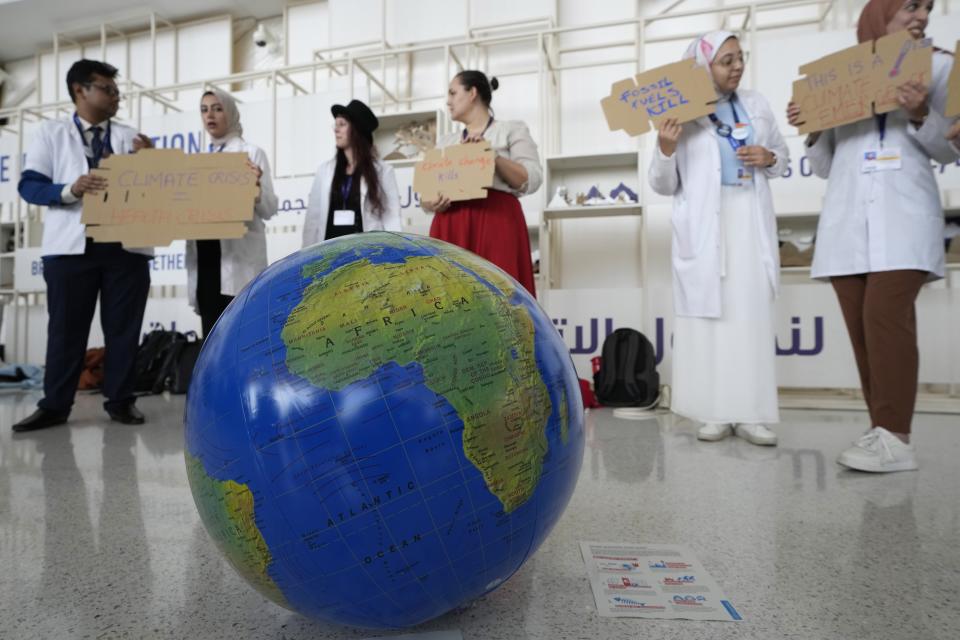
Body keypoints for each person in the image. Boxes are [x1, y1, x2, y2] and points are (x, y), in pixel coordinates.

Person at [787, 0, 956, 472]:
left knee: (886, 318)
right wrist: (815, 128)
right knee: (863, 331)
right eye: (910, 7)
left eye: (926, 8)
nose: (921, 16)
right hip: (846, 222)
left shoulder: (939, 66)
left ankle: (896, 436)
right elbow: (823, 167)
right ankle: (880, 429)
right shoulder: (839, 81)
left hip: (903, 215)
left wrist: (922, 113)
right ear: (880, 14)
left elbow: (947, 148)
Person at [649, 32, 789, 446]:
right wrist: (665, 146)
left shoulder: (758, 104)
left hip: (748, 217)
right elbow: (660, 183)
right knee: (711, 320)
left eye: (739, 58)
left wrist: (770, 157)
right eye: (726, 60)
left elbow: (780, 157)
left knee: (750, 317)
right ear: (703, 67)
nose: (737, 66)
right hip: (706, 226)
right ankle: (713, 411)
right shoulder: (680, 115)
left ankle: (751, 414)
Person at [14, 59, 154, 432]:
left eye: (116, 91)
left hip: (125, 248)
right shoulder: (51, 134)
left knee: (123, 329)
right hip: (70, 249)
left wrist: (152, 161)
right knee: (65, 330)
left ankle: (121, 401)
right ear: (80, 90)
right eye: (107, 89)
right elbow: (29, 186)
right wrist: (68, 189)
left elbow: (154, 189)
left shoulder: (131, 137)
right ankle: (55, 406)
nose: (115, 97)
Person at [421, 70, 541, 297]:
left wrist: (491, 155)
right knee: (450, 296)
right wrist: (433, 202)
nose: (448, 101)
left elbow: (531, 178)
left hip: (496, 219)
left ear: (472, 93)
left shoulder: (511, 130)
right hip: (450, 222)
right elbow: (426, 196)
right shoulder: (446, 142)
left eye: (453, 93)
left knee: (502, 294)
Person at [187, 88, 277, 337]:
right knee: (210, 338)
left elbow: (269, 208)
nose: (210, 115)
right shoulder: (196, 161)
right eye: (204, 110)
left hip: (239, 259)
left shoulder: (251, 154)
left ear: (230, 111)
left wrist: (255, 187)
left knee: (242, 335)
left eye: (217, 108)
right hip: (206, 259)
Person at [302, 99, 401, 246]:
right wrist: (305, 257)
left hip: (366, 253)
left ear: (356, 129)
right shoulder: (324, 171)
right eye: (335, 125)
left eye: (342, 124)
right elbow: (313, 219)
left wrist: (396, 252)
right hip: (329, 253)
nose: (336, 130)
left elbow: (392, 217)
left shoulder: (382, 172)